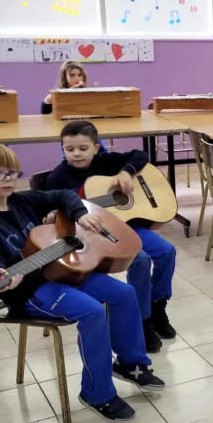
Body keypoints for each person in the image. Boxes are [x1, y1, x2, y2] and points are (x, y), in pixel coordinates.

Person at [0, 142, 164, 423]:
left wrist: (81, 214)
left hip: (58, 270)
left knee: (125, 292)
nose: (8, 179)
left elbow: (61, 196)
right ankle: (97, 393)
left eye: (12, 172)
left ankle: (131, 362)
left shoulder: (22, 200)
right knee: (92, 312)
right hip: (28, 290)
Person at [45, 120, 177, 353]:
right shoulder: (58, 178)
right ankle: (142, 320)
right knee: (141, 259)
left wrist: (127, 172)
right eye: (69, 149)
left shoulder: (105, 162)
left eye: (83, 148)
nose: (76, 154)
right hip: (95, 234)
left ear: (96, 148)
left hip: (125, 224)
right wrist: (54, 214)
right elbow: (51, 213)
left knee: (167, 251)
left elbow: (140, 154)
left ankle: (158, 306)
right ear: (62, 149)